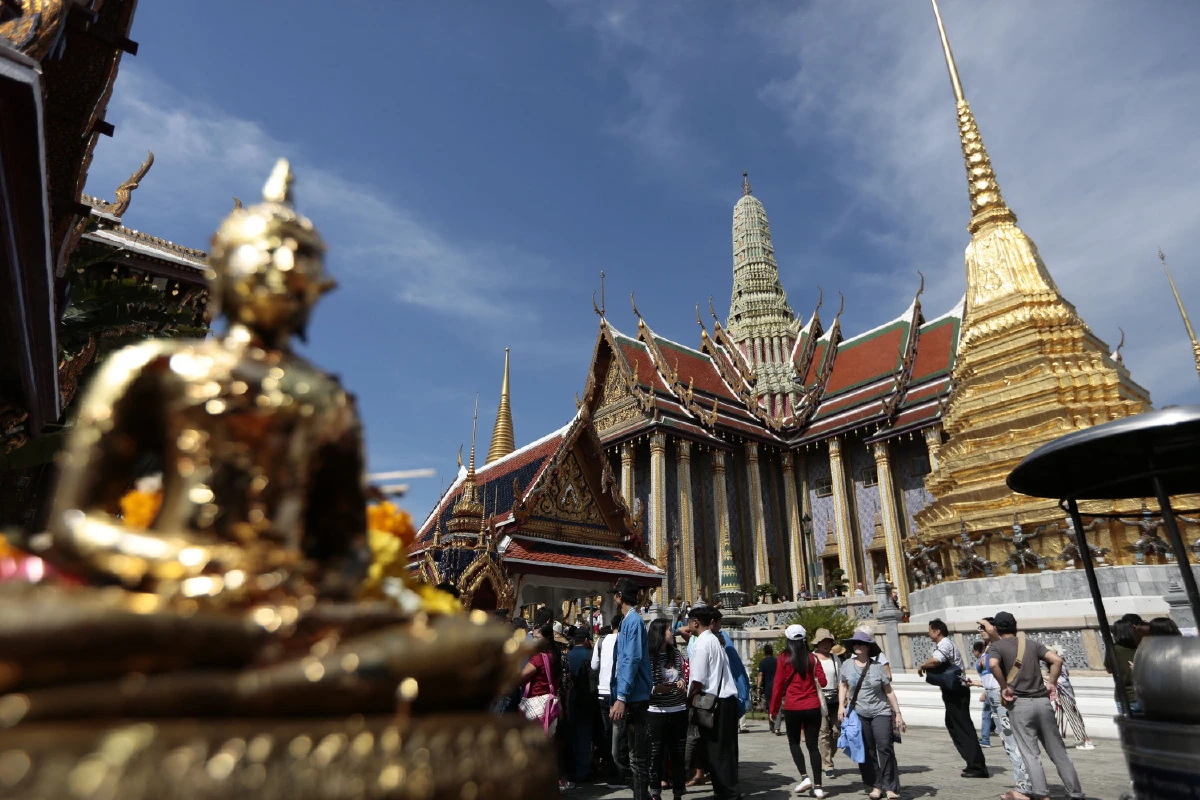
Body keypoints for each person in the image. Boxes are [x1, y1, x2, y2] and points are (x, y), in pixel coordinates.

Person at [988, 611, 1084, 800]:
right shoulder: (1031, 644)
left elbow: (992, 665)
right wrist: (1052, 683)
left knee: (1031, 754)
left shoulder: (996, 647)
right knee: (1058, 752)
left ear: (997, 629)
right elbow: (1057, 660)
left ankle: (1041, 794)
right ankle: (1076, 793)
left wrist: (1004, 686)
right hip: (1042, 702)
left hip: (1019, 704)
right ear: (1016, 626)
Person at [917, 618, 988, 778]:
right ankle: (972, 762)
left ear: (937, 631)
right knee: (954, 724)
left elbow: (936, 660)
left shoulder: (945, 644)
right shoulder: (944, 644)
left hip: (957, 691)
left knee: (962, 726)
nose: (928, 634)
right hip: (953, 690)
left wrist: (922, 665)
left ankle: (977, 766)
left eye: (930, 630)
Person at [838, 630, 905, 800]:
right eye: (855, 643)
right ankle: (875, 785)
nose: (857, 646)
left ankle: (890, 786)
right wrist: (841, 706)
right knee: (866, 750)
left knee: (885, 747)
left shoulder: (878, 667)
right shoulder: (846, 664)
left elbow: (888, 691)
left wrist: (898, 713)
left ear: (868, 647)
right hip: (859, 712)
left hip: (880, 711)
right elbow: (843, 686)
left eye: (861, 643)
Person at [686, 606, 740, 800]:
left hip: (713, 703)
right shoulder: (715, 641)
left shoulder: (702, 644)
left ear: (695, 622)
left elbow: (697, 681)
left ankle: (727, 793)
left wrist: (689, 700)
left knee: (716, 751)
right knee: (725, 749)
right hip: (726, 701)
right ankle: (728, 790)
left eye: (689, 621)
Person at [975, 618, 1032, 799]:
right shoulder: (989, 648)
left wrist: (986, 622)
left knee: (1012, 741)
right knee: (1008, 741)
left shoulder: (1001, 645)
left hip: (1002, 696)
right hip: (993, 695)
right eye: (980, 628)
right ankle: (1024, 783)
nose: (981, 631)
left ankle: (1024, 787)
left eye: (983, 628)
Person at [770, 625, 829, 798]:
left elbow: (778, 685)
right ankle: (818, 786)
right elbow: (824, 682)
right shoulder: (812, 658)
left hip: (793, 706)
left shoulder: (783, 658)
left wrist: (773, 710)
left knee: (794, 742)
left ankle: (804, 777)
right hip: (812, 706)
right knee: (813, 746)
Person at [609, 578, 653, 800]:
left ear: (619, 597)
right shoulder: (628, 621)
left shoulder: (633, 621)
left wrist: (622, 696)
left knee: (637, 757)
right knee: (628, 755)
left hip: (634, 696)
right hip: (630, 693)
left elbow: (631, 659)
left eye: (615, 594)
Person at [647, 619, 687, 800]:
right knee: (656, 753)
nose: (673, 633)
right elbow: (644, 684)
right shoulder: (649, 657)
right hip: (657, 711)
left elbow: (682, 674)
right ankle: (655, 791)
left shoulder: (676, 654)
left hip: (678, 708)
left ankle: (678, 791)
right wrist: (655, 689)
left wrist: (681, 682)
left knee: (678, 753)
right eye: (669, 630)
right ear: (659, 634)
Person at [593, 614, 625, 789]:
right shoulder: (624, 640)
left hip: (602, 691)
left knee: (608, 732)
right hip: (617, 693)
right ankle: (616, 773)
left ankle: (609, 769)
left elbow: (593, 666)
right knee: (617, 735)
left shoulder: (601, 641)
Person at [1045, 648, 1094, 751]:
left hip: (1063, 694)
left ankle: (1085, 740)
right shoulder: (1060, 664)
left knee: (1073, 716)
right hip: (1064, 694)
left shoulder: (1057, 665)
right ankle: (1056, 741)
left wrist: (1047, 679)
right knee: (1058, 717)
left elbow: (1060, 681)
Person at [811, 628, 843, 781]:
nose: (825, 644)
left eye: (828, 641)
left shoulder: (835, 658)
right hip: (819, 697)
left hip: (835, 699)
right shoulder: (812, 658)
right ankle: (827, 765)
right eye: (822, 642)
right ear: (817, 643)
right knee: (823, 732)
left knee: (836, 731)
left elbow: (842, 680)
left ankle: (828, 756)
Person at [565, 631, 595, 787]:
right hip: (587, 698)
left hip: (571, 699)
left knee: (572, 733)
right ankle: (582, 769)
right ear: (585, 640)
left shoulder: (568, 655)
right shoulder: (590, 654)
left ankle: (572, 768)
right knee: (584, 735)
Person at [1107, 618, 1139, 714]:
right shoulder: (1140, 647)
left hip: (1123, 696)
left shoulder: (1112, 649)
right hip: (1141, 695)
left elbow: (1109, 669)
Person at [972, 641, 996, 747]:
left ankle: (986, 739)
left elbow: (986, 680)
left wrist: (984, 692)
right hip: (995, 689)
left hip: (991, 690)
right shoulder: (991, 658)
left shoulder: (980, 662)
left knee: (987, 714)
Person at [757, 644, 779, 734]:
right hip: (777, 685)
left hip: (768, 687)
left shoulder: (762, 662)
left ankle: (772, 725)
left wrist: (758, 686)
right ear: (772, 652)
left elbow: (760, 674)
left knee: (770, 706)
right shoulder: (777, 661)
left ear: (764, 652)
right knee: (777, 706)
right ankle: (777, 726)